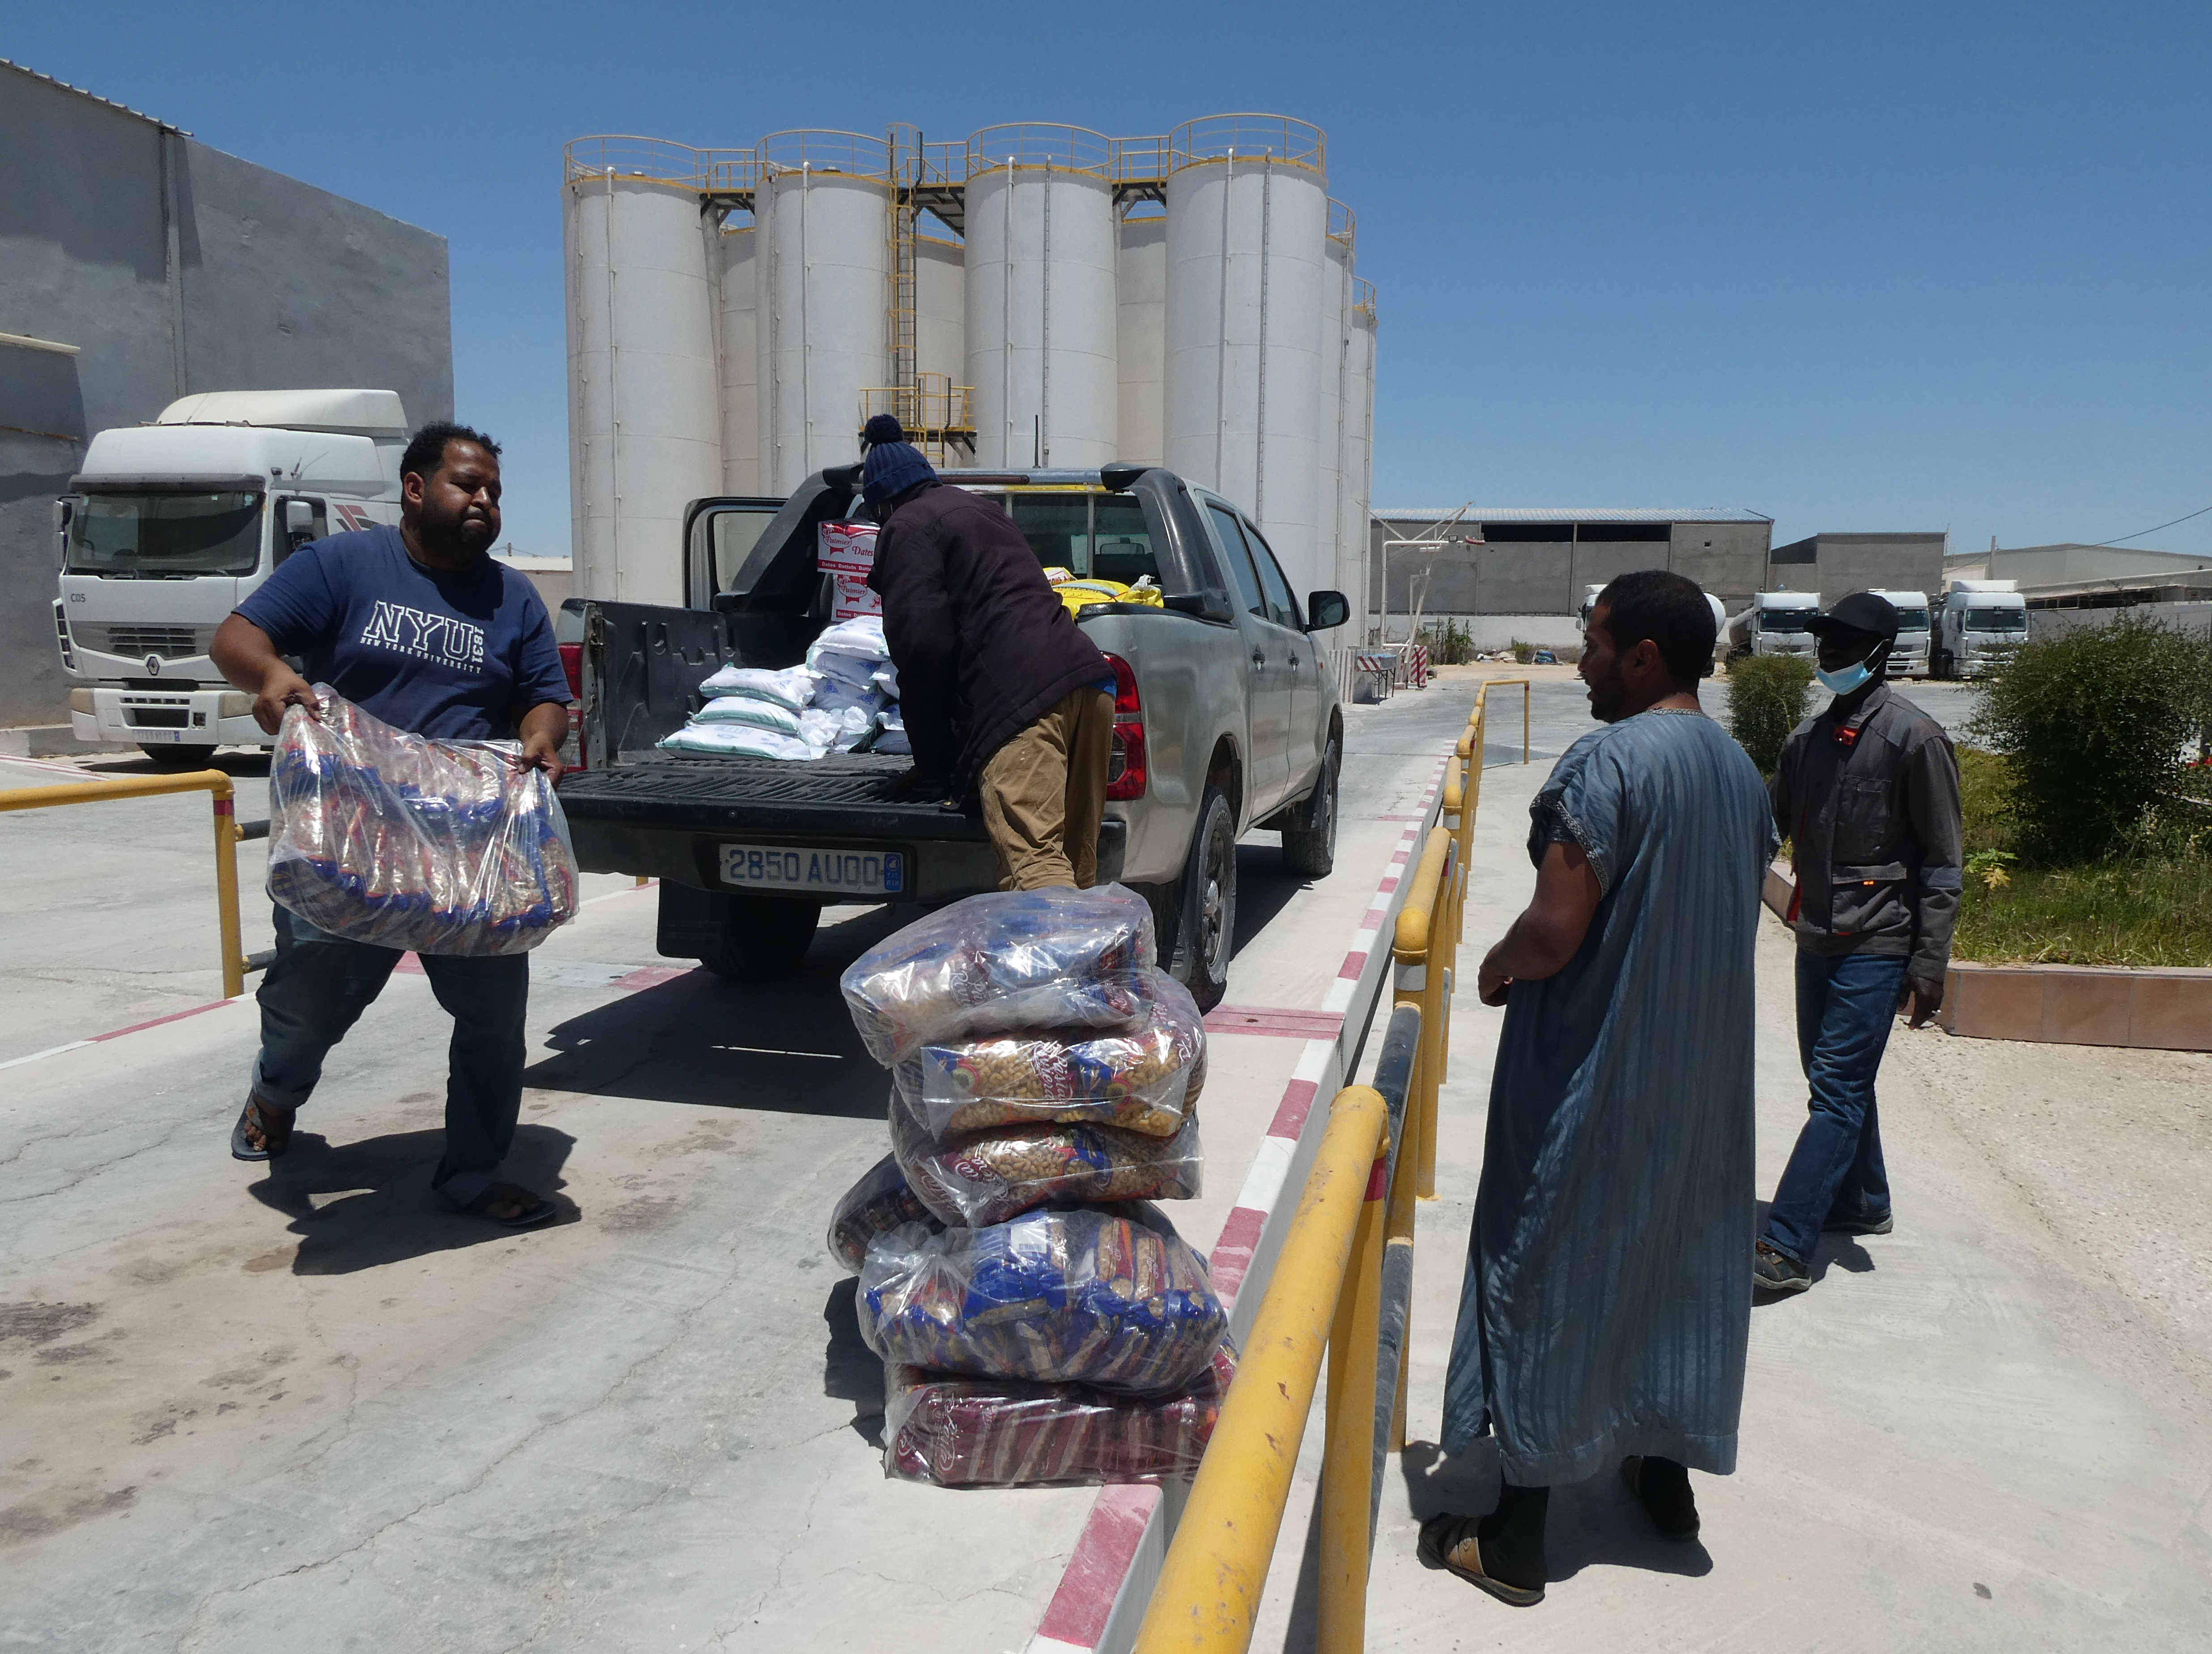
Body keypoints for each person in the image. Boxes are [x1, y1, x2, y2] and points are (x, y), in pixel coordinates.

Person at [1419, 570, 1774, 1607]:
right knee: (1675, 1265)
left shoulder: (1608, 763)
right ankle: (1661, 1481)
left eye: (1593, 642)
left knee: (1544, 1262)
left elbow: (1552, 929)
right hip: (1701, 1083)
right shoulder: (1739, 771)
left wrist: (1489, 965)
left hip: (1593, 1075)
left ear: (1643, 657)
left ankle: (1516, 1539)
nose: (1578, 662)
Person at [209, 422, 572, 1227]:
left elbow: (544, 692)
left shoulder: (510, 595)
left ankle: (472, 1173)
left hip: (468, 853)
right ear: (415, 488)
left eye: (494, 492)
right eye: (467, 485)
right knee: (310, 1005)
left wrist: (543, 732)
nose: (484, 501)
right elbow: (237, 637)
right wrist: (270, 675)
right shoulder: (341, 565)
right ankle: (276, 1092)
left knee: (491, 1022)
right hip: (352, 841)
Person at [1753, 592, 1961, 1294]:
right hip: (1816, 939)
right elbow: (1765, 830)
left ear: (1879, 652)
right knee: (1834, 1083)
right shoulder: (1806, 743)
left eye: (1843, 645)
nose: (1829, 656)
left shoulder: (1916, 739)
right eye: (1824, 644)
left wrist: (1929, 964)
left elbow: (1942, 863)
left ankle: (1786, 1247)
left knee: (1837, 1092)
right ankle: (1864, 1202)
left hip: (1878, 943)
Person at [859, 415, 1116, 890]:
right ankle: (1093, 964)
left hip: (1023, 701)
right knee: (1076, 870)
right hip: (1089, 681)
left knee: (1035, 869)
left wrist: (933, 764)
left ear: (884, 503)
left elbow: (921, 647)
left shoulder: (906, 527)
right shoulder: (982, 512)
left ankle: (1054, 965)